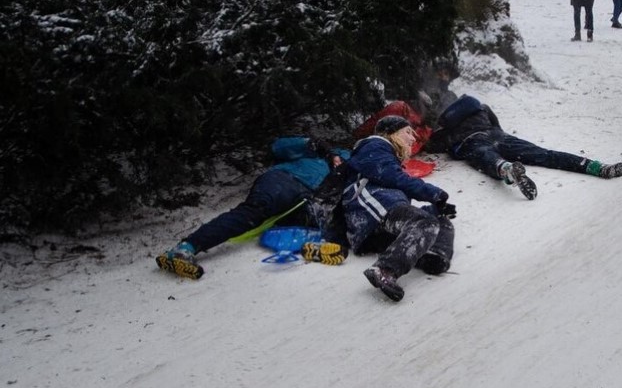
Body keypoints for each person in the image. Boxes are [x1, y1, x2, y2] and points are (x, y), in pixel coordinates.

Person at [155, 136, 351, 279]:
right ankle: (185, 248)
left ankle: (316, 248)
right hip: (284, 181)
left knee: (320, 222)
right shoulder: (317, 153)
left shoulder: (353, 161)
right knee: (253, 213)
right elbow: (277, 147)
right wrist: (310, 143)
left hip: (308, 198)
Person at [307, 116, 456, 302]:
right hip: (368, 216)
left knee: (440, 221)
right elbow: (393, 178)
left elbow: (399, 199)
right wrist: (434, 194)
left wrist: (436, 208)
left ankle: (432, 255)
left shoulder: (388, 157)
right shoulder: (375, 146)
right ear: (391, 133)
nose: (413, 138)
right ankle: (385, 269)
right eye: (408, 132)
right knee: (424, 222)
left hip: (382, 220)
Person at [425, 96, 622, 201]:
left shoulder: (445, 128)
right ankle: (597, 167)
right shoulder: (478, 109)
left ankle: (507, 169)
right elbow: (494, 119)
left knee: (486, 157)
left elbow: (436, 145)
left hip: (473, 141)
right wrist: (498, 133)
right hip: (499, 136)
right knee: (544, 154)